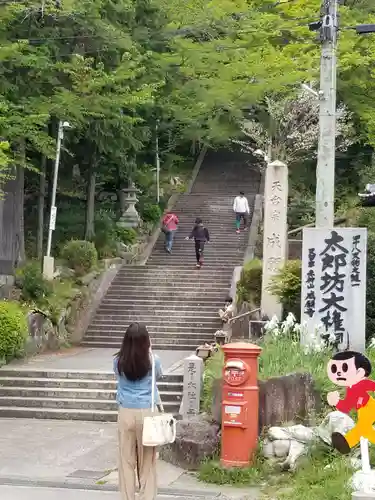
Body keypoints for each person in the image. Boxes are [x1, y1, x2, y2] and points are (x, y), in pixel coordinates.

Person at [114, 323, 163, 500]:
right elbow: (158, 375)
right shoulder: (153, 360)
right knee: (147, 463)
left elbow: (118, 378)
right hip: (147, 412)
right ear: (146, 340)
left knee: (126, 461)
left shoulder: (118, 361)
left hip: (125, 411)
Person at [326, 350, 375, 454]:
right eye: (334, 369)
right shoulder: (350, 390)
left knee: (363, 427)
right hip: (362, 410)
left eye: (345, 368)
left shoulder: (363, 383)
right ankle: (347, 443)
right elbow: (347, 406)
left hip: (370, 407)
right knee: (366, 430)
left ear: (360, 372)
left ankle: (348, 441)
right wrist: (337, 402)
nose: (339, 373)